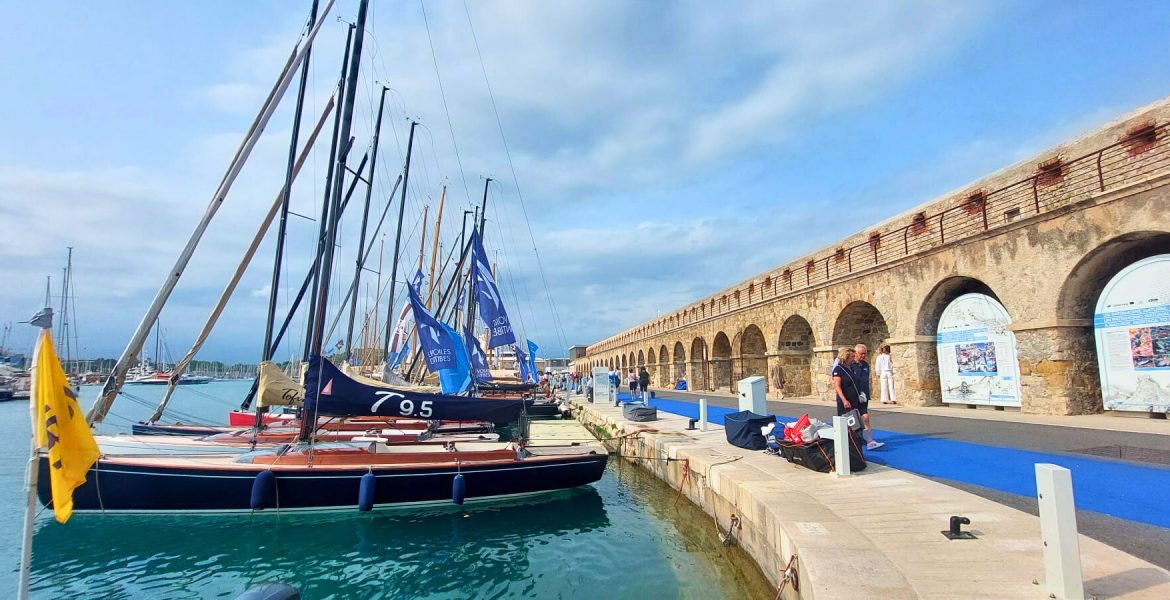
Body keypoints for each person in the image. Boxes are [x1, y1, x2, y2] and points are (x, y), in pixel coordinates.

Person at [851, 343, 883, 450]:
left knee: (865, 417)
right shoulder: (850, 365)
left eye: (865, 353)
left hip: (864, 395)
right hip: (853, 396)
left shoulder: (865, 365)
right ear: (855, 353)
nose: (863, 356)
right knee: (854, 419)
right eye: (861, 354)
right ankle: (855, 439)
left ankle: (870, 441)